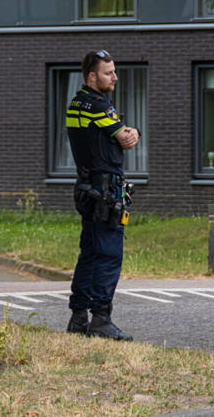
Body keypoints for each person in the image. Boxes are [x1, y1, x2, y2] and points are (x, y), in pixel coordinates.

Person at [66, 50, 140, 341]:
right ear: (92, 76)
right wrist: (130, 130)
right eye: (109, 73)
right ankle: (100, 319)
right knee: (108, 254)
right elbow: (126, 139)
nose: (115, 77)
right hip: (103, 192)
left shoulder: (76, 102)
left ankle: (78, 317)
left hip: (87, 188)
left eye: (114, 71)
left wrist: (126, 132)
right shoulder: (98, 105)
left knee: (90, 253)